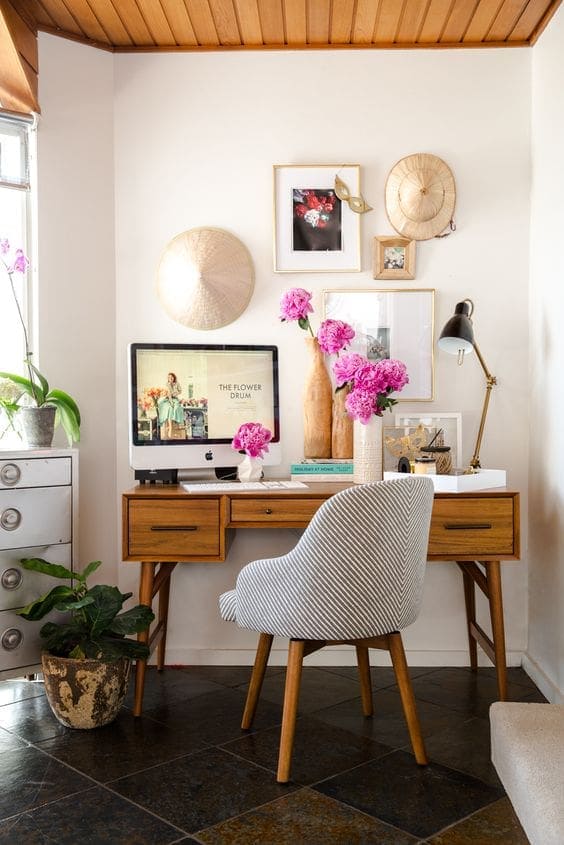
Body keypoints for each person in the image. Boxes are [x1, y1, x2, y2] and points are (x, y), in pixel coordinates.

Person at [158, 372, 184, 439]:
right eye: (169, 377)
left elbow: (180, 391)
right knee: (169, 408)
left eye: (171, 377)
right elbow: (169, 394)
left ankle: (176, 423)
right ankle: (170, 427)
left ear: (174, 377)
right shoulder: (167, 384)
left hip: (175, 398)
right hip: (168, 398)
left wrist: (176, 393)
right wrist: (171, 402)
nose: (170, 378)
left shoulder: (177, 383)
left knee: (177, 407)